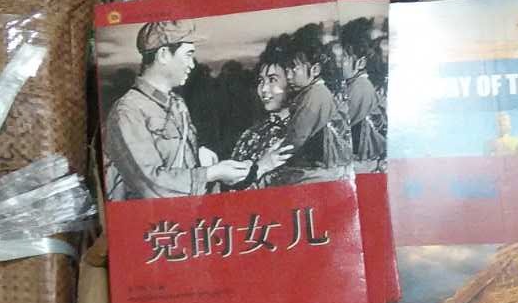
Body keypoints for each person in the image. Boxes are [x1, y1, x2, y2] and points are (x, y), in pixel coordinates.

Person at [102, 20, 251, 200]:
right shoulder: (127, 111)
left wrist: (200, 156)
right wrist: (211, 173)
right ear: (164, 55)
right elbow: (149, 185)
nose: (192, 64)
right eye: (188, 55)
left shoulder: (177, 103)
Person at [278, 24, 352, 184]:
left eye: (294, 69)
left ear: (315, 70)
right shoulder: (313, 92)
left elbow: (296, 139)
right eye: (287, 70)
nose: (289, 76)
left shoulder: (314, 95)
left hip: (320, 171)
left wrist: (272, 160)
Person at [226, 38, 295, 189]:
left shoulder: (301, 132)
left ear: (292, 82)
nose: (263, 89)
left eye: (272, 80)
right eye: (261, 80)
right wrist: (261, 167)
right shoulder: (250, 134)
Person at [338, 18, 386, 167]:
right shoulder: (355, 83)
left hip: (364, 159)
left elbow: (340, 127)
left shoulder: (360, 87)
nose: (338, 64)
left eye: (343, 59)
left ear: (361, 63)